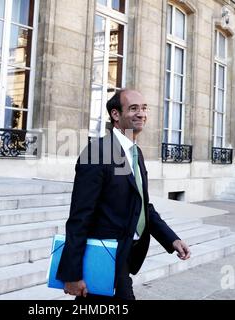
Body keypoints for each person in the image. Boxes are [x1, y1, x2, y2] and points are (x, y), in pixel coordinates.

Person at [56, 89, 191, 300]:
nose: (141, 114)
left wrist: (171, 239)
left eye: (144, 108)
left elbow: (142, 206)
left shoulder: (136, 154)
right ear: (116, 115)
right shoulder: (97, 153)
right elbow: (79, 218)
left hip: (126, 256)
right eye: (133, 108)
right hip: (105, 258)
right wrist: (72, 274)